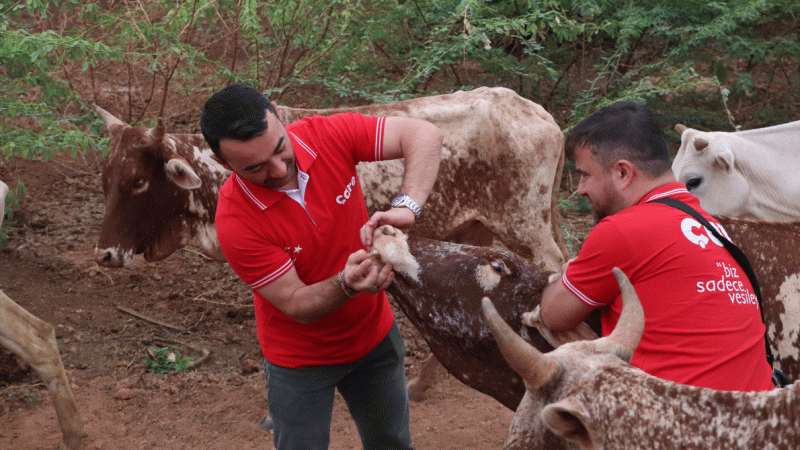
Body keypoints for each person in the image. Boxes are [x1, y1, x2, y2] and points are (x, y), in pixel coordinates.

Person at [200, 84, 442, 449]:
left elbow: (424, 134)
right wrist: (346, 283)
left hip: (374, 338)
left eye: (281, 148)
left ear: (279, 116)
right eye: (255, 167)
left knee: (391, 442)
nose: (279, 169)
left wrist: (407, 206)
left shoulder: (324, 134)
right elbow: (297, 303)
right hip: (299, 362)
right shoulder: (235, 220)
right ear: (222, 163)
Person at [537, 101, 773, 392]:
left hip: (681, 426)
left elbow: (552, 315)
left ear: (623, 173)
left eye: (585, 175)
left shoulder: (624, 230)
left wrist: (566, 274)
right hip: (755, 421)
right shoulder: (713, 226)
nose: (580, 188)